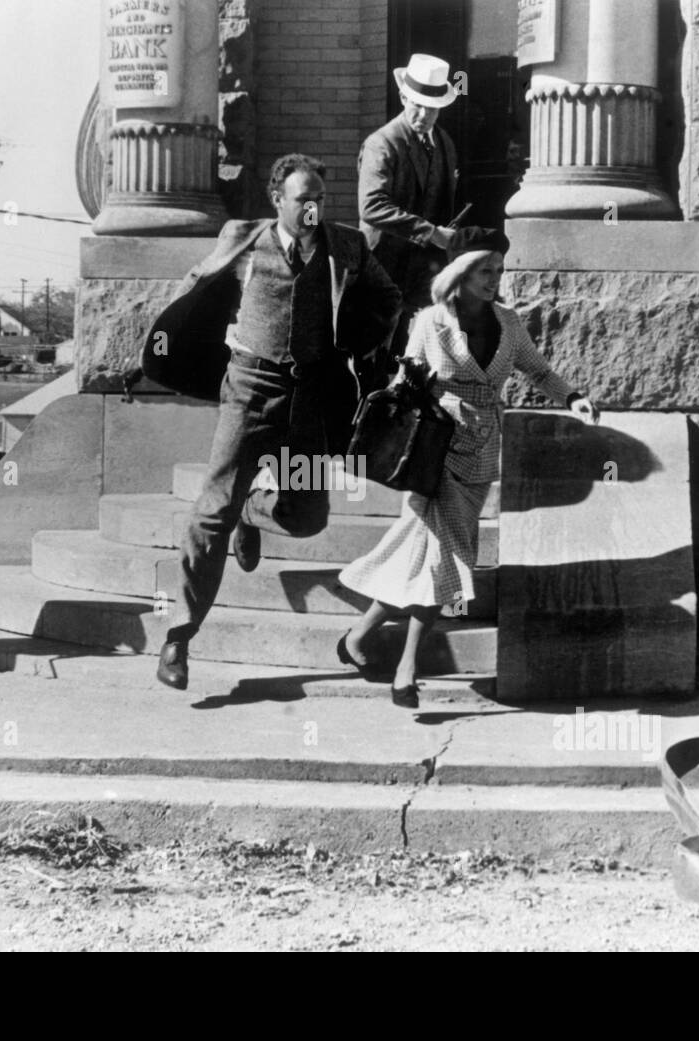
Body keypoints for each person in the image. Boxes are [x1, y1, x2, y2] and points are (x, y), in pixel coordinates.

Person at [154, 154, 402, 690]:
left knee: (308, 517)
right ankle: (179, 636)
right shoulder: (244, 239)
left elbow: (387, 297)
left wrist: (361, 347)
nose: (313, 208)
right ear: (277, 200)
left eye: (320, 198)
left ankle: (254, 507)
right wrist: (168, 348)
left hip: (311, 400)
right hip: (250, 390)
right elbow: (193, 288)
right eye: (302, 199)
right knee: (211, 511)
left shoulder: (349, 246)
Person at [337, 228, 600, 708]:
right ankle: (406, 670)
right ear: (460, 271)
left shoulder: (509, 321)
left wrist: (573, 398)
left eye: (499, 270)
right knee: (443, 560)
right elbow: (403, 385)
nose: (494, 280)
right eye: (485, 270)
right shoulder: (431, 322)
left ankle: (357, 637)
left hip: (480, 451)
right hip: (433, 450)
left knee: (422, 555)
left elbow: (537, 371)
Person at [358, 53, 461, 368]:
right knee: (373, 352)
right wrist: (431, 233)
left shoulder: (445, 143)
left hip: (423, 269)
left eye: (432, 108)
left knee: (418, 353)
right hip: (383, 264)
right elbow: (371, 207)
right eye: (417, 104)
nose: (425, 114)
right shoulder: (382, 144)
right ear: (403, 96)